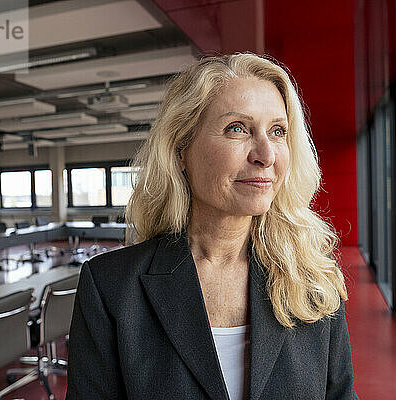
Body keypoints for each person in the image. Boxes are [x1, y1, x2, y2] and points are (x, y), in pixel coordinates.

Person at [66, 53, 358, 400]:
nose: (266, 154)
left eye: (278, 131)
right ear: (180, 150)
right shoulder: (110, 288)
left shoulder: (313, 280)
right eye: (238, 128)